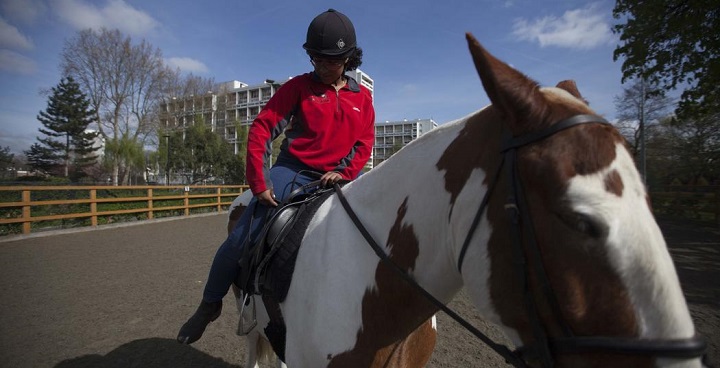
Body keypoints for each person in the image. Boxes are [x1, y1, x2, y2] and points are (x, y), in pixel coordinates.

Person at [177, 8, 375, 345]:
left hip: (338, 178)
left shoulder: (364, 99)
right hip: (292, 171)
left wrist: (343, 172)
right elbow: (262, 129)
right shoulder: (298, 88)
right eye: (317, 59)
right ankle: (209, 304)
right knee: (241, 237)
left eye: (331, 60)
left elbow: (364, 143)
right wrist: (260, 181)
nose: (323, 67)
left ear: (348, 58)